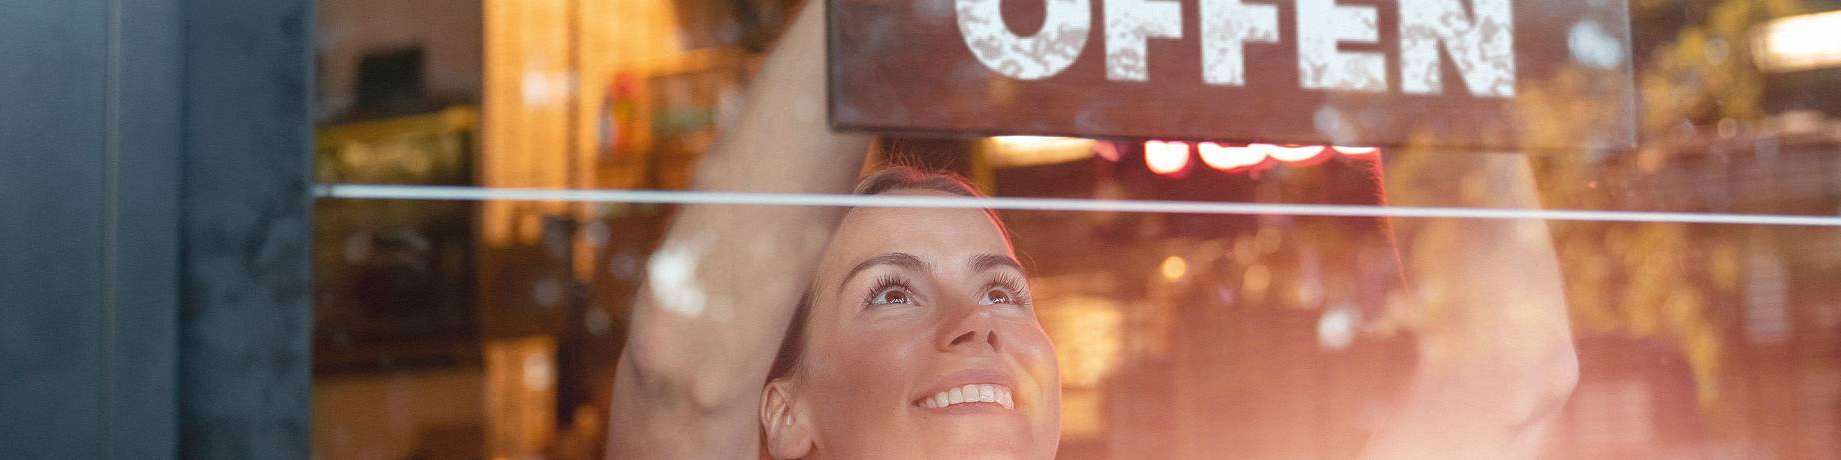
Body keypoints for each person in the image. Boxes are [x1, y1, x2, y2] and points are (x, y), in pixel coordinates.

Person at [608, 4, 1579, 459]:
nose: (976, 324)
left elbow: (1510, 379)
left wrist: (1414, 28)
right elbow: (684, 376)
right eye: (891, 291)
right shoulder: (706, 387)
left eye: (1002, 289)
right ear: (783, 414)